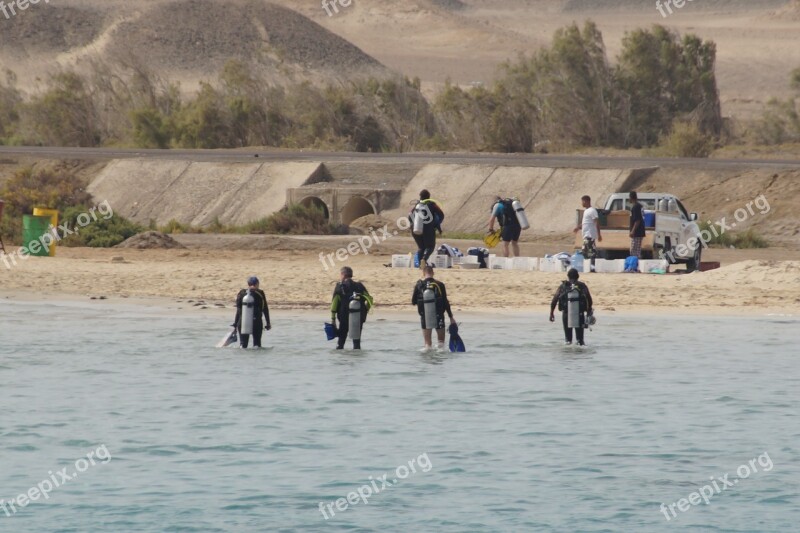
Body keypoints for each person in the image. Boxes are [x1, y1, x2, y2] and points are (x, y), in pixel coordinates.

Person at [412, 265, 455, 352]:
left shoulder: (419, 285)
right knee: (441, 344)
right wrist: (451, 317)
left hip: (425, 316)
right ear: (433, 273)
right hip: (438, 315)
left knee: (427, 345)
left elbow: (413, 302)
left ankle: (428, 357)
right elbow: (445, 302)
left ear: (423, 273)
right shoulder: (439, 284)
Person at [330, 266, 373, 350]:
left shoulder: (339, 287)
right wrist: (366, 310)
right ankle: (356, 360)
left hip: (344, 318)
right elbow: (370, 300)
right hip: (357, 317)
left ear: (343, 275)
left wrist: (333, 319)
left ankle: (341, 359)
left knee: (340, 343)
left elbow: (334, 304)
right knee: (356, 344)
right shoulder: (359, 286)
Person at [549, 268, 593, 346]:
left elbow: (555, 299)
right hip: (579, 314)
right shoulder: (582, 285)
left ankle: (568, 355)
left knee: (568, 340)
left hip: (566, 314)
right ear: (578, 276)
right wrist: (589, 310)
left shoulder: (563, 286)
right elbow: (589, 298)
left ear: (568, 276)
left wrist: (551, 313)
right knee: (580, 341)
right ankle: (579, 354)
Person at [233, 276, 272, 349]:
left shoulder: (242, 293)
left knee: (243, 345)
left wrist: (235, 324)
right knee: (257, 345)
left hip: (243, 322)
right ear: (257, 283)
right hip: (256, 322)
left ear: (248, 284)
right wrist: (268, 323)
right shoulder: (260, 293)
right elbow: (265, 309)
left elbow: (238, 310)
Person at [409, 189, 444, 268]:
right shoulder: (432, 204)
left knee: (421, 247)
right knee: (430, 246)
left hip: (415, 229)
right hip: (428, 228)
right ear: (429, 196)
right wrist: (437, 226)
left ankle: (421, 266)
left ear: (420, 197)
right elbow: (441, 215)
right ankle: (424, 260)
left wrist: (412, 226)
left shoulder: (417, 205)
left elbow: (409, 217)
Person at [573, 195, 602, 272]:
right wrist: (578, 228)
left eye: (583, 201)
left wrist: (599, 234)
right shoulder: (586, 211)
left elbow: (596, 223)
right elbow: (584, 223)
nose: (582, 203)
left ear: (587, 201)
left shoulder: (592, 211)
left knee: (588, 250)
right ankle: (591, 266)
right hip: (586, 235)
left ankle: (592, 267)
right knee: (588, 250)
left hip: (590, 234)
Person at [629, 190, 646, 259]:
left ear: (631, 198)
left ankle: (634, 266)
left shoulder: (636, 207)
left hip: (637, 232)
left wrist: (633, 231)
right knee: (637, 250)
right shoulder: (639, 206)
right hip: (640, 231)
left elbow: (637, 220)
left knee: (634, 250)